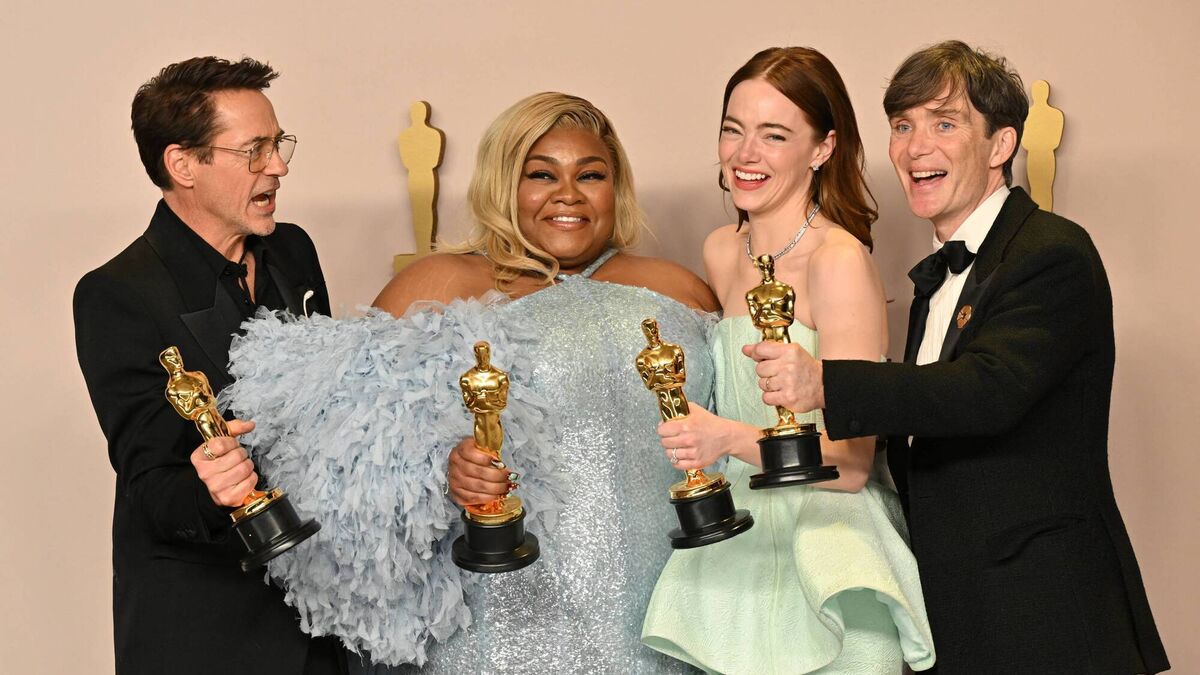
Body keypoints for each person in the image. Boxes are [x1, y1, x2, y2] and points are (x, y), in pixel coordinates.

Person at [222, 92, 719, 672]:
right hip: (502, 630)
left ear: (616, 187)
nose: (568, 193)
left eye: (591, 175)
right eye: (541, 174)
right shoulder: (439, 283)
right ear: (504, 184)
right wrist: (443, 470)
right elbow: (345, 471)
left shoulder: (680, 289)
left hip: (666, 621)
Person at [745, 40, 1170, 673]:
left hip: (1047, 615)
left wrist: (825, 382)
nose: (916, 147)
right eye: (902, 126)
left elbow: (985, 390)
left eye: (945, 124)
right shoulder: (940, 277)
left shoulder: (1051, 251)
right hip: (964, 611)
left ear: (1001, 146)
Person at [640, 47, 936, 674]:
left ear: (822, 148)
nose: (745, 154)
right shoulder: (722, 250)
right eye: (733, 129)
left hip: (830, 550)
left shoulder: (838, 260)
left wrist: (727, 438)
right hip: (739, 552)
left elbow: (852, 464)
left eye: (774, 135)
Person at [73, 56, 343, 674]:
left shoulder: (293, 250)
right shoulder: (117, 294)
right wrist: (210, 488)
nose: (277, 167)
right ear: (183, 165)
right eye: (254, 151)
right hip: (210, 635)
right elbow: (151, 486)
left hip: (323, 619)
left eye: (278, 144)